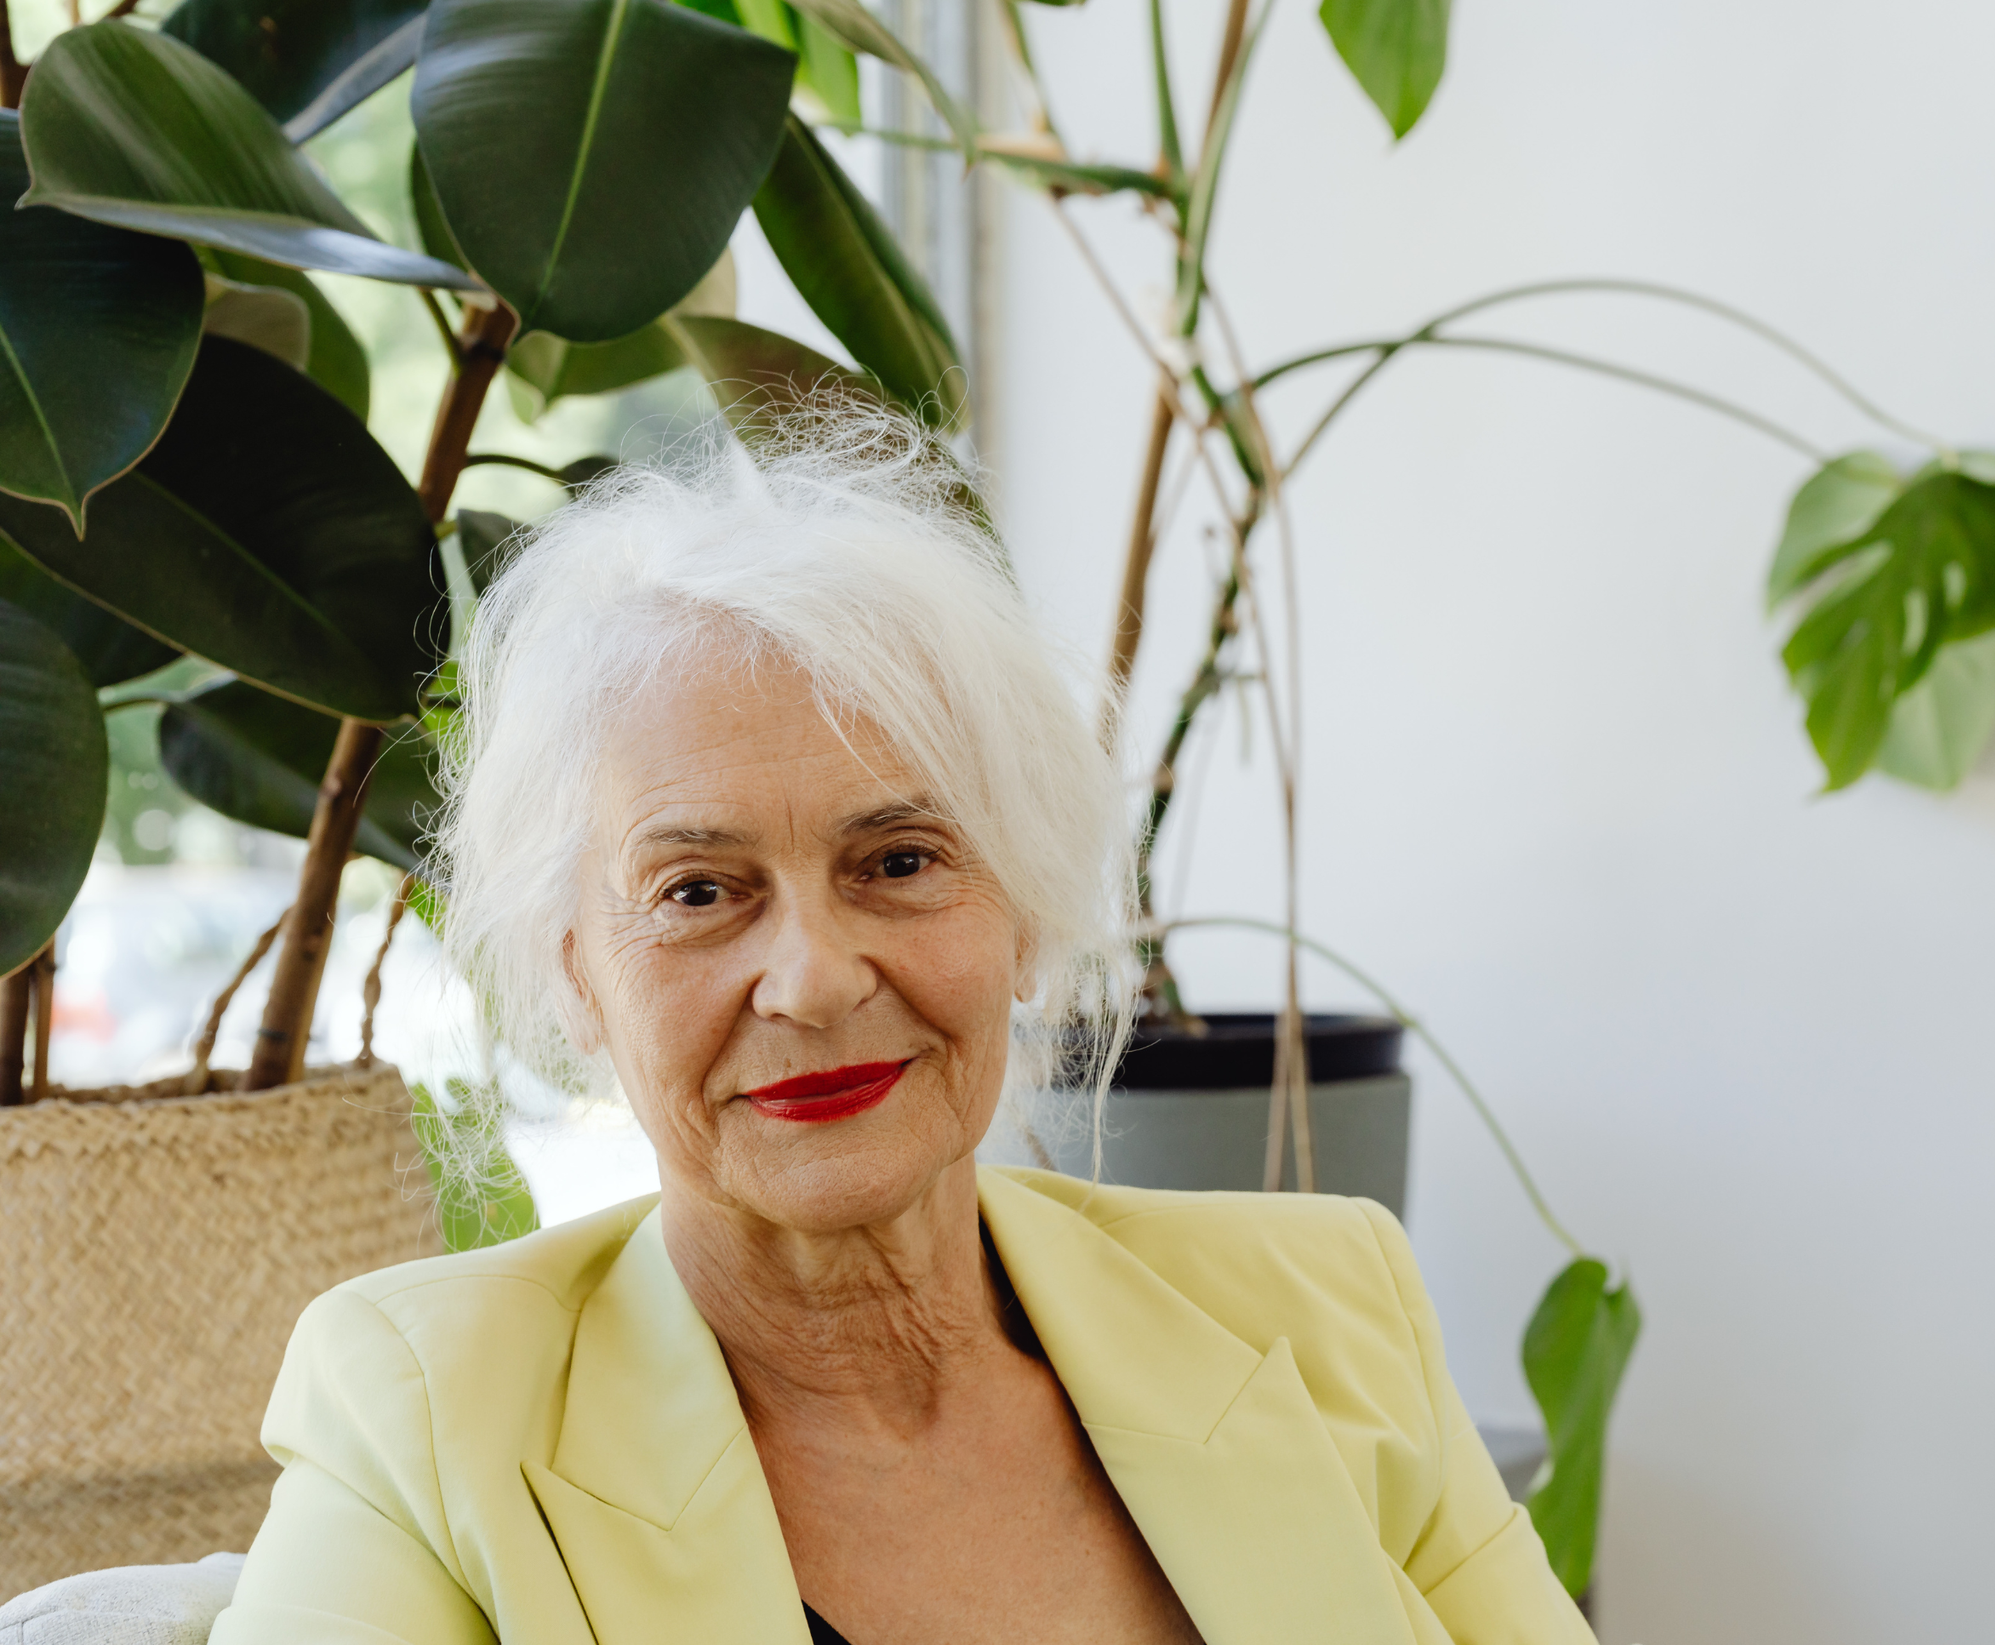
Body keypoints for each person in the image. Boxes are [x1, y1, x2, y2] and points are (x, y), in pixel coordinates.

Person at [207, 417, 1594, 1645]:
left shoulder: (1323, 1305)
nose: (812, 980)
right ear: (577, 979)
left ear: (1029, 908)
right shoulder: (432, 1417)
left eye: (900, 861)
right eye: (698, 891)